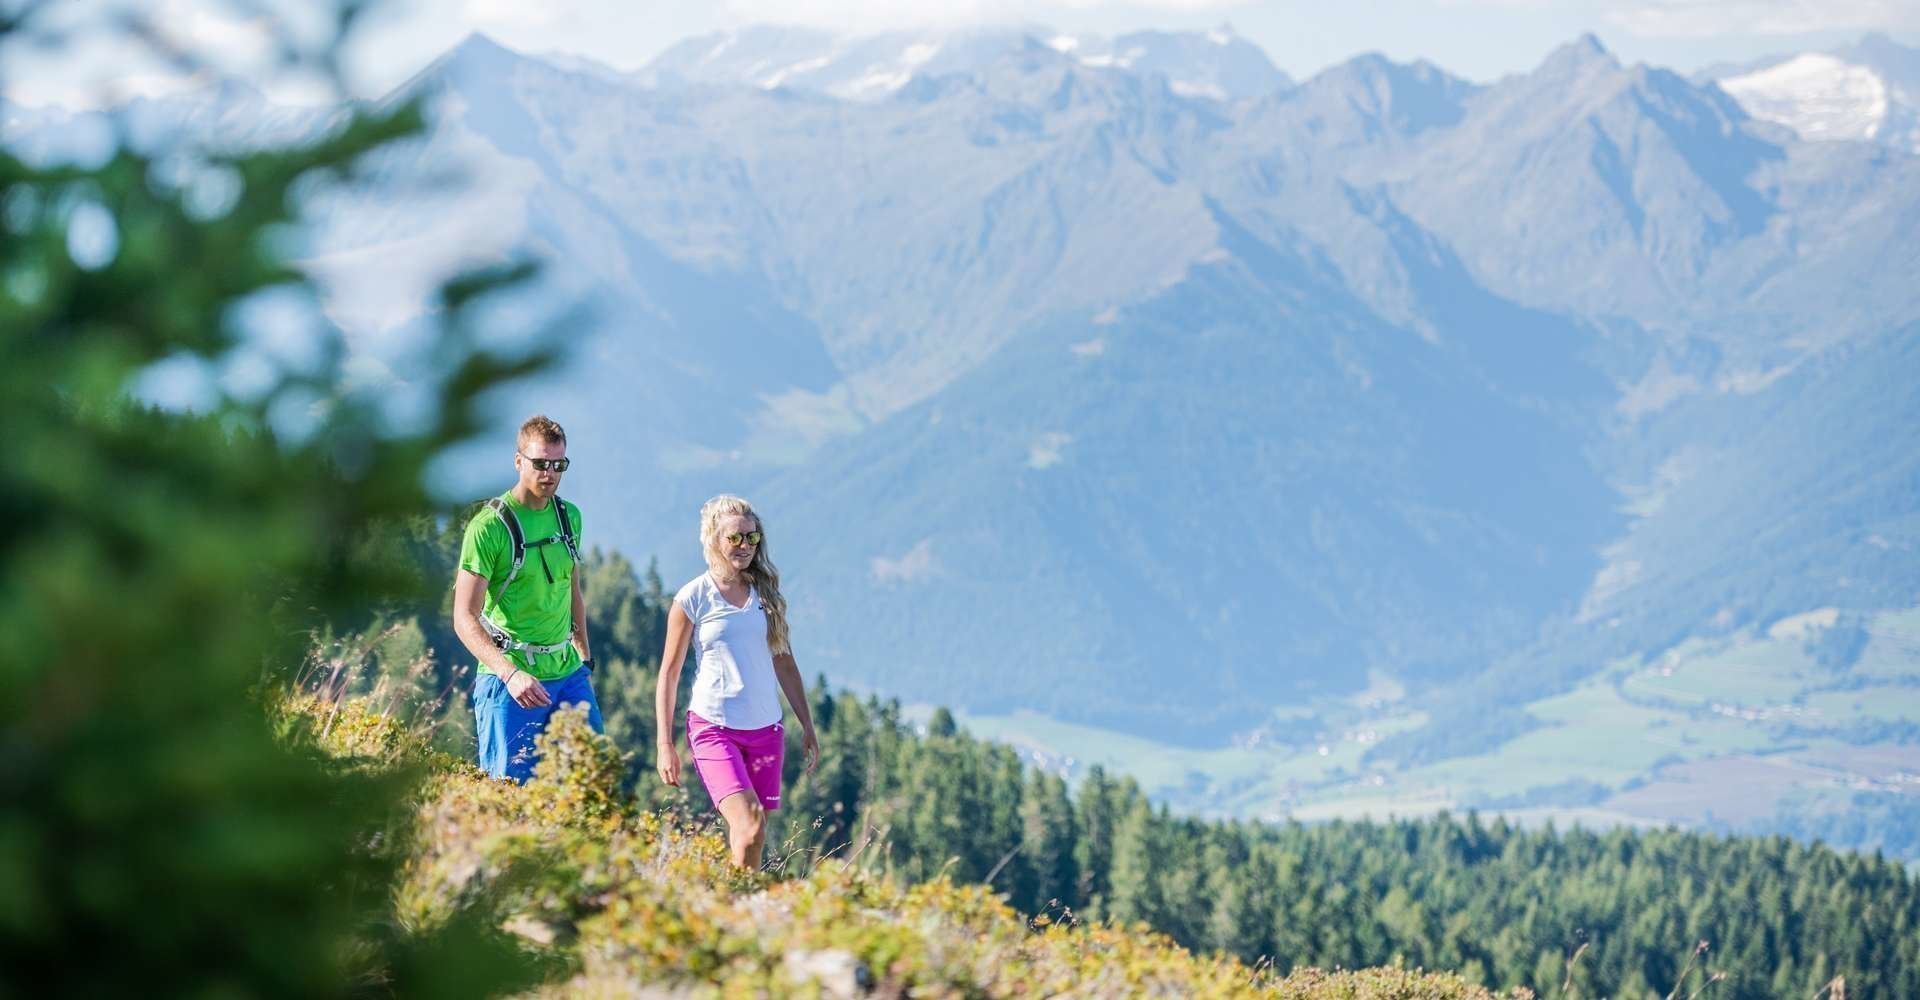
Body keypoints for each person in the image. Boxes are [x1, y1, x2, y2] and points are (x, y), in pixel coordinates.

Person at [656, 494, 819, 868]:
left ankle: (736, 907)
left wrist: (807, 724)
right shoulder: (692, 598)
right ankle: (736, 909)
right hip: (714, 729)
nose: (745, 546)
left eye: (752, 537)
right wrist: (665, 743)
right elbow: (669, 672)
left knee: (752, 836)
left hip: (766, 729)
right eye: (735, 538)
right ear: (714, 539)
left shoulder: (766, 595)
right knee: (749, 827)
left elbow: (786, 663)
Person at [452, 414, 600, 782]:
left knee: (595, 784)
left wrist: (585, 657)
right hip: (512, 683)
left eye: (558, 464)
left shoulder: (570, 518)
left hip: (568, 674)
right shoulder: (488, 528)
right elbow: (464, 617)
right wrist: (510, 674)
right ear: (519, 461)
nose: (549, 473)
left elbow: (572, 590)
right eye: (539, 464)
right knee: (510, 797)